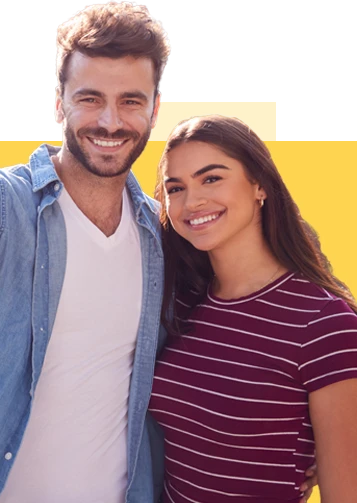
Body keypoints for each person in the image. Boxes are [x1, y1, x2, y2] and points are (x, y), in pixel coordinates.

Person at [0, 1, 317, 502]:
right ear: (59, 102)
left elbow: (229, 337)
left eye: (131, 101)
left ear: (156, 107)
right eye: (90, 98)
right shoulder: (8, 200)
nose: (110, 121)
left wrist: (306, 432)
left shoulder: (162, 235)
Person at [149, 114, 357, 503]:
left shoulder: (324, 324)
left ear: (260, 185)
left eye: (211, 178)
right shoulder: (181, 305)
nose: (192, 202)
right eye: (175, 188)